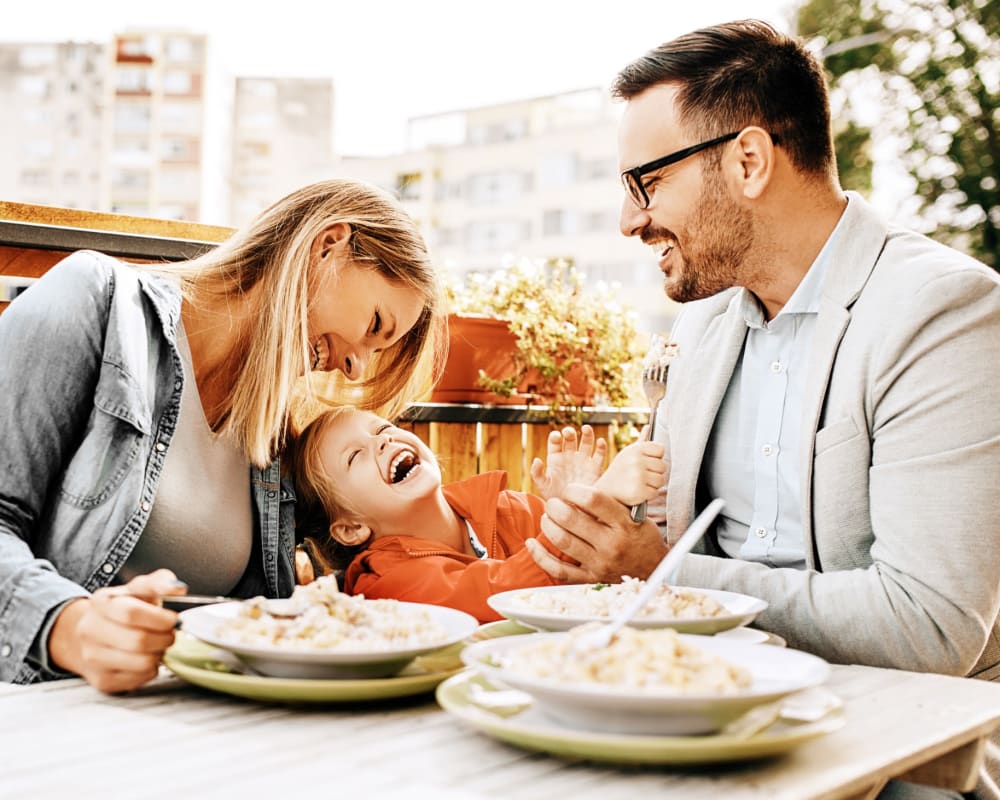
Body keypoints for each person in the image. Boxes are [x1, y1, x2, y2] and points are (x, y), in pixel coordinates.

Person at [524, 20, 1000, 800]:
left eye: (645, 183)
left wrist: (665, 575)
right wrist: (602, 537)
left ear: (748, 161)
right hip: (696, 719)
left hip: (895, 749)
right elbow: (660, 545)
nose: (629, 220)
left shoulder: (943, 311)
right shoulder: (704, 326)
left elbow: (929, 627)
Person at [0, 178, 447, 693]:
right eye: (374, 325)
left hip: (204, 724)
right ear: (327, 245)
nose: (353, 368)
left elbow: (393, 534)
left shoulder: (271, 432)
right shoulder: (96, 302)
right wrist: (68, 626)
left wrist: (546, 541)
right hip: (51, 711)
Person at [290, 407, 665, 621]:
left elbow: (603, 573)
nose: (383, 440)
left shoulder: (512, 508)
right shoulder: (386, 581)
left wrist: (576, 508)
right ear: (352, 528)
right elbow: (499, 593)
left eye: (383, 428)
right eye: (355, 456)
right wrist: (586, 506)